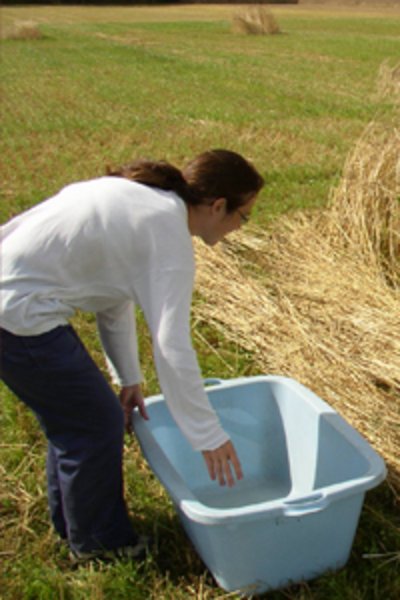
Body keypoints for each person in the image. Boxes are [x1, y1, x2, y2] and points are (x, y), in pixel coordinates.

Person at [0, 149, 264, 562]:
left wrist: (128, 378)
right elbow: (172, 346)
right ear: (217, 206)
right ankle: (100, 544)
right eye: (242, 217)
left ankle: (73, 526)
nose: (238, 228)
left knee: (76, 420)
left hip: (15, 301)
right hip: (17, 314)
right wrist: (207, 434)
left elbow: (113, 297)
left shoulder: (147, 202)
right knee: (93, 423)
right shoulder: (168, 233)